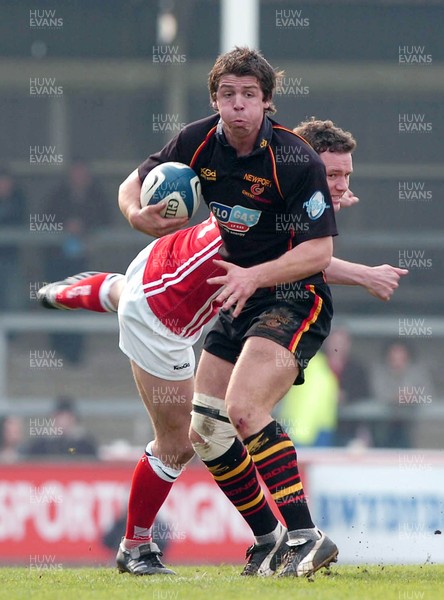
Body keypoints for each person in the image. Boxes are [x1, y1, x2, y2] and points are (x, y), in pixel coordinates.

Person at [39, 111, 407, 576]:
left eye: (345, 176)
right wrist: (365, 274)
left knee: (203, 414)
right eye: (330, 173)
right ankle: (136, 547)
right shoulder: (268, 206)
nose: (337, 183)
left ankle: (67, 292)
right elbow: (306, 257)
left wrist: (330, 193)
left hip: (156, 269)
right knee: (178, 444)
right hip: (160, 321)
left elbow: (298, 242)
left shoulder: (270, 187)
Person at [42, 160, 110, 364]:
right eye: (75, 173)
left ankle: (75, 353)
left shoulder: (97, 197)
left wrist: (86, 229)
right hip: (57, 261)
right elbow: (45, 221)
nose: (79, 178)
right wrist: (65, 227)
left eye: (83, 173)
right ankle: (57, 348)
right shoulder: (57, 196)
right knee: (57, 302)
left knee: (78, 303)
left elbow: (106, 221)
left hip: (84, 263)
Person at [370, 341, 436, 448]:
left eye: (402, 358)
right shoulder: (380, 371)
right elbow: (379, 393)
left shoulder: (417, 373)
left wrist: (413, 397)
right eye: (394, 358)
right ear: (388, 357)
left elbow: (428, 394)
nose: (398, 361)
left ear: (408, 357)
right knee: (384, 457)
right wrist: (397, 398)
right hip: (384, 426)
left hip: (411, 426)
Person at [26, 395, 98, 458]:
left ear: (74, 419)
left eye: (68, 418)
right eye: (60, 417)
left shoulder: (85, 444)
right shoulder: (40, 445)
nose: (64, 422)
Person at [0, 166, 28, 310]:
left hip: (11, 259)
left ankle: (10, 333)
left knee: (13, 302)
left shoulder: (18, 200)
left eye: (7, 182)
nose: (4, 186)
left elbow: (20, 223)